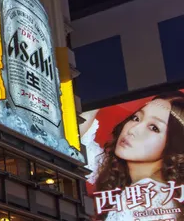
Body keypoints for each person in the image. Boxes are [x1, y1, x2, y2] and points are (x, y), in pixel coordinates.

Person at [79, 92, 184, 221]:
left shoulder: (146, 196)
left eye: (153, 128)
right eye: (136, 118)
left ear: (173, 145)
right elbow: (77, 146)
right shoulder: (155, 192)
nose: (132, 130)